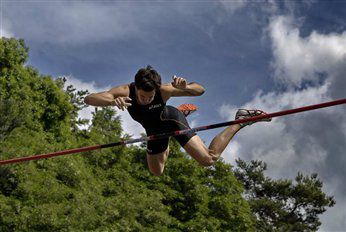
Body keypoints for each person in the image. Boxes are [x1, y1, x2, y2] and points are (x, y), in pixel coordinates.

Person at [84, 66, 271, 176]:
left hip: (171, 120)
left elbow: (200, 90)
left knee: (208, 160)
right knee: (157, 171)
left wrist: (186, 87)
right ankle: (167, 141)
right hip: (154, 131)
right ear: (136, 88)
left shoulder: (165, 90)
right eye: (142, 97)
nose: (146, 100)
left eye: (150, 97)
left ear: (156, 89)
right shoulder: (125, 91)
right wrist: (111, 100)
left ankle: (239, 121)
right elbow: (89, 99)